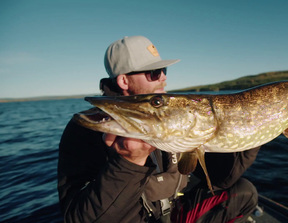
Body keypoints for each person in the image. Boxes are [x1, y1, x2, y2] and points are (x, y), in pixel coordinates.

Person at [58, 36, 259, 223]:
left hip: (174, 211)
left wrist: (252, 130)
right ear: (124, 80)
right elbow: (78, 217)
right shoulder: (85, 130)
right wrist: (128, 163)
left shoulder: (170, 117)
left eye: (164, 71)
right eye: (153, 73)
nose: (163, 78)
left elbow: (221, 178)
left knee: (244, 192)